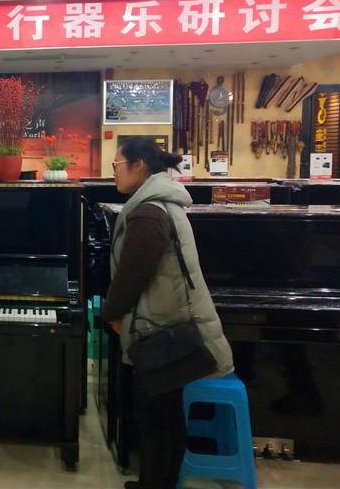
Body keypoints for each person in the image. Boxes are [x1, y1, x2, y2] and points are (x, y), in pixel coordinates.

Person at [101, 137, 233, 489]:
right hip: (167, 321)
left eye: (117, 165)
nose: (113, 172)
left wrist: (111, 312)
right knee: (168, 413)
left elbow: (132, 275)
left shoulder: (148, 212)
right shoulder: (162, 202)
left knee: (155, 419)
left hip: (159, 329)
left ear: (139, 165)